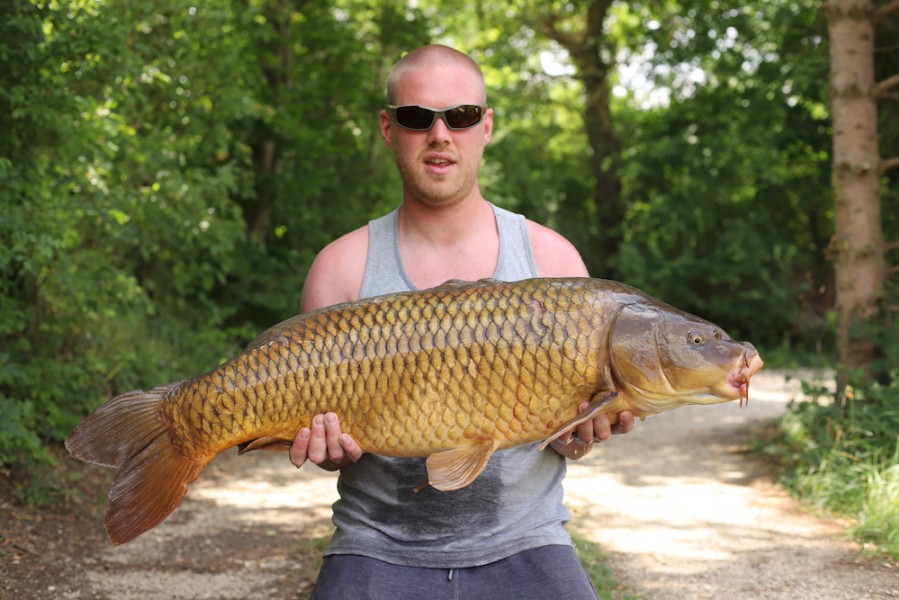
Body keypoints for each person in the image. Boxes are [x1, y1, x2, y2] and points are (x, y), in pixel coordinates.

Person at [289, 44, 635, 599]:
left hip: (527, 542)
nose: (440, 134)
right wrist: (326, 446)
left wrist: (581, 435)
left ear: (487, 125)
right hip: (375, 545)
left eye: (461, 116)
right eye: (416, 117)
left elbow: (564, 443)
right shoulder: (341, 267)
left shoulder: (554, 263)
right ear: (387, 128)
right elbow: (326, 444)